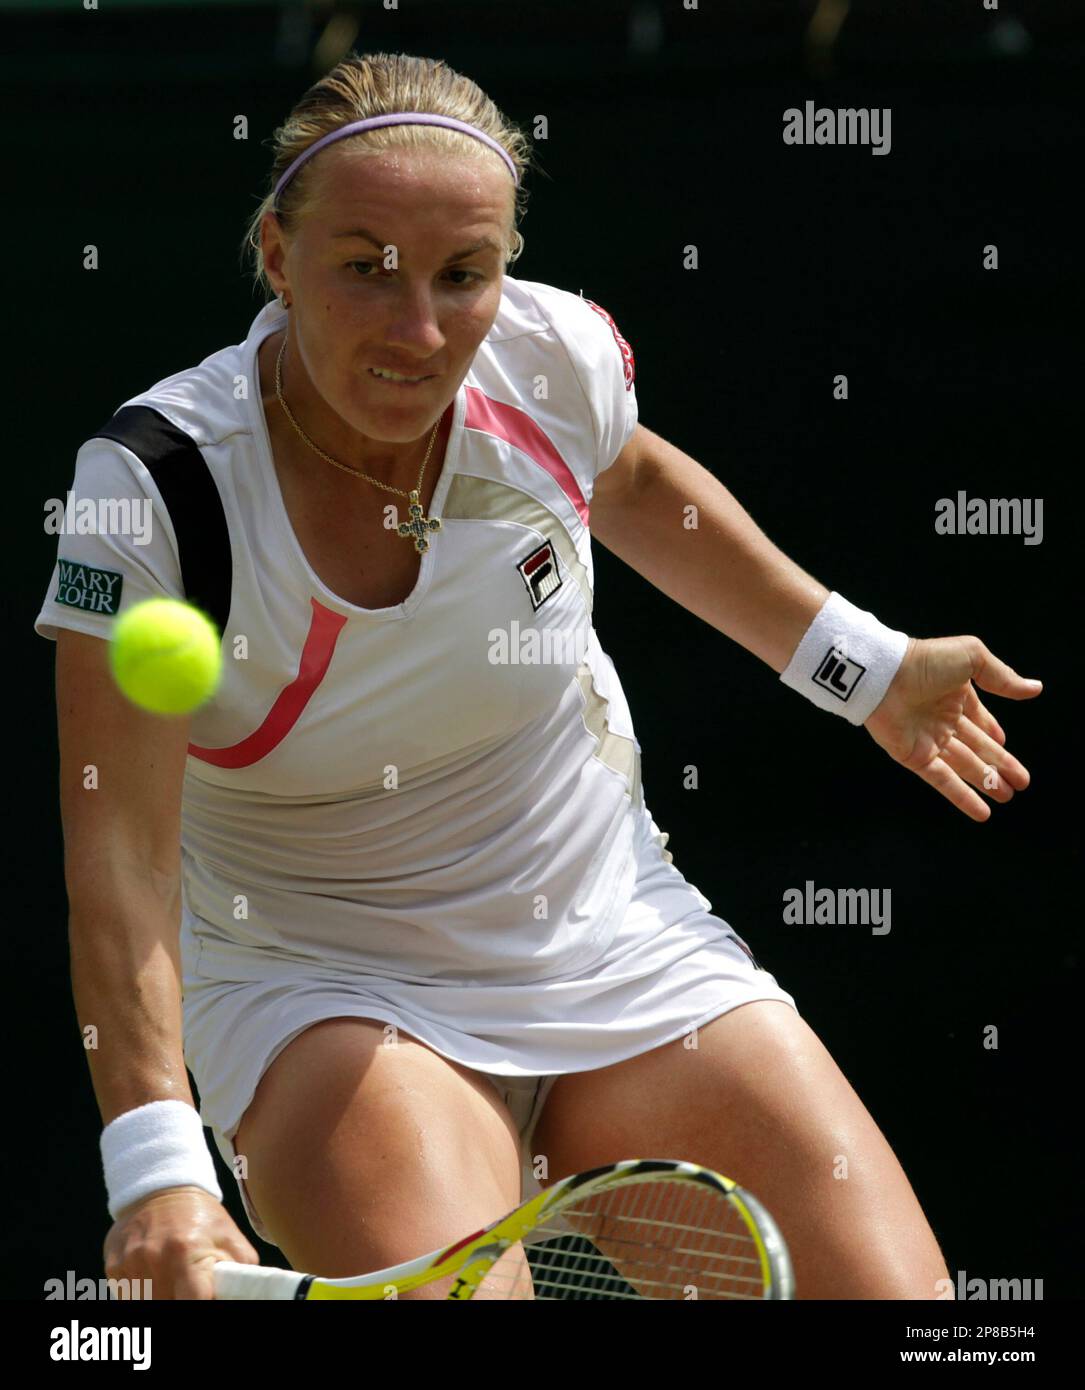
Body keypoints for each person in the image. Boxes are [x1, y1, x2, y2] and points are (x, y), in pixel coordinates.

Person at [37, 51, 1041, 1301]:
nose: (420, 330)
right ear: (274, 253)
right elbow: (120, 858)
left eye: (464, 275)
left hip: (604, 923)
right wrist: (156, 1173)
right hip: (320, 974)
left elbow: (631, 484)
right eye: (364, 267)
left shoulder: (547, 358)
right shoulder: (155, 490)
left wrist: (864, 666)